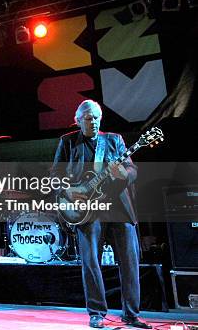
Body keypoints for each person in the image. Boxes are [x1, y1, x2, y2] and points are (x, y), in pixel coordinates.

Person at [52, 100, 151, 329]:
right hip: (87, 212)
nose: (94, 122)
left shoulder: (114, 140)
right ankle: (96, 313)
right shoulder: (68, 142)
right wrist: (68, 190)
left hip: (119, 209)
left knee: (129, 261)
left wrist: (123, 174)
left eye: (96, 117)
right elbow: (56, 175)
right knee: (90, 262)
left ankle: (131, 314)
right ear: (78, 121)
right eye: (88, 118)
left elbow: (132, 170)